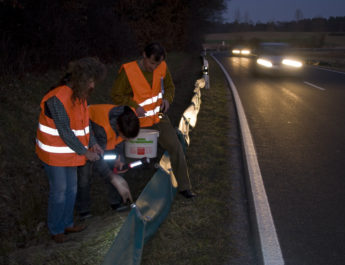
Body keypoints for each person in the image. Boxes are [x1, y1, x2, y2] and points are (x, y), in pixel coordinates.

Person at [35, 57, 107, 243]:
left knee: (71, 189)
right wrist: (86, 153)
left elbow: (85, 124)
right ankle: (56, 229)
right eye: (90, 80)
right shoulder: (57, 99)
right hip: (54, 155)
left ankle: (67, 223)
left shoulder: (80, 96)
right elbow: (65, 132)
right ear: (81, 79)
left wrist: (93, 143)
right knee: (59, 191)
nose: (93, 85)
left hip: (70, 154)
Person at [111, 42, 196, 198]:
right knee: (128, 158)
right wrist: (133, 106)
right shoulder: (128, 71)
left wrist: (167, 100)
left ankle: (184, 187)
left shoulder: (162, 66)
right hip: (136, 121)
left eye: (158, 64)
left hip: (159, 117)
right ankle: (120, 196)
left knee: (175, 147)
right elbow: (116, 96)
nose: (154, 67)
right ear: (144, 55)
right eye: (152, 63)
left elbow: (169, 87)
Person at [76, 104, 139, 220]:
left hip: (106, 143)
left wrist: (119, 157)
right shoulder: (102, 126)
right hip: (87, 144)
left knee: (120, 167)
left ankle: (116, 203)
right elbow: (97, 156)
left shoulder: (129, 117)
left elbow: (120, 140)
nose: (126, 140)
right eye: (125, 137)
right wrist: (112, 177)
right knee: (84, 176)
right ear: (118, 128)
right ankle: (83, 211)